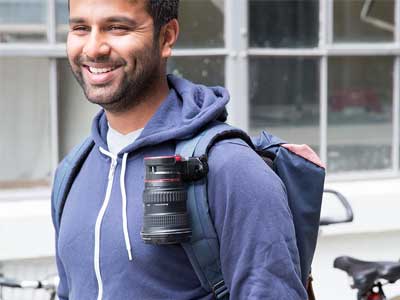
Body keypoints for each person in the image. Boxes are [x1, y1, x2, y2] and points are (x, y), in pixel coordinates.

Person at [54, 0, 307, 299]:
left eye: (117, 27)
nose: (94, 48)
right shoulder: (72, 172)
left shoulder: (231, 168)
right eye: (81, 28)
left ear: (167, 37)